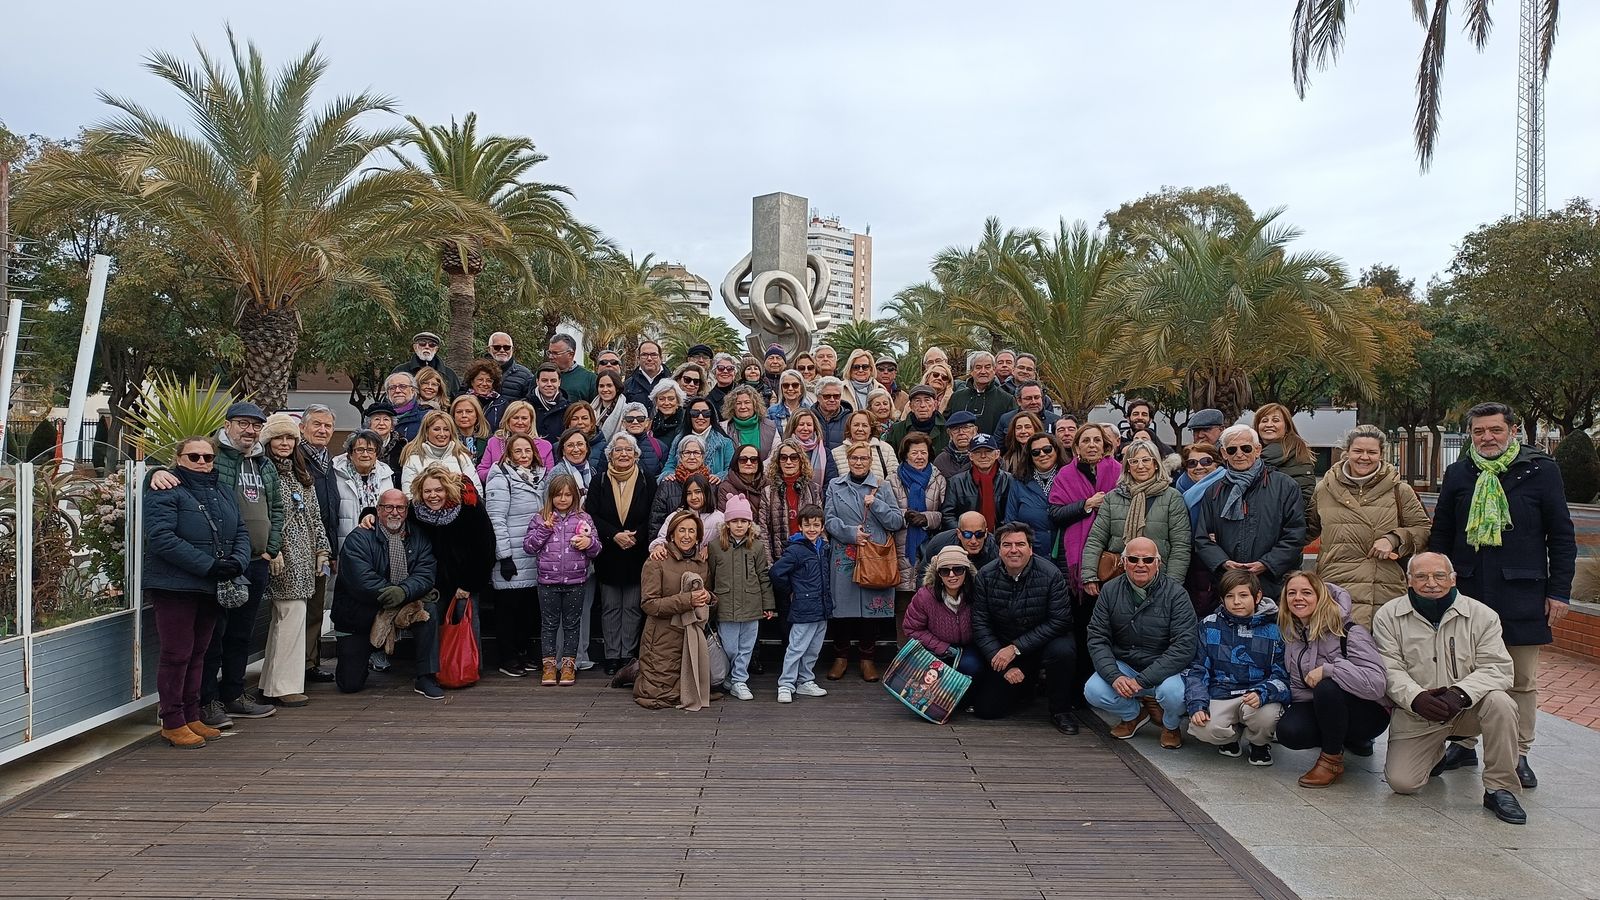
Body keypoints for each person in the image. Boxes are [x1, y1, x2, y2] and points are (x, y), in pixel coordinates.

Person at [1427, 401, 1575, 789]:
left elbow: (1560, 536)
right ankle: (1462, 742)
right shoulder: (1459, 473)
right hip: (1468, 591)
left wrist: (1558, 592)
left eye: (1494, 430)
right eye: (1479, 431)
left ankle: (1518, 753)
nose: (1487, 437)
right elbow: (1441, 533)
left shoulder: (1540, 470)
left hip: (1522, 592)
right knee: (1461, 672)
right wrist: (1436, 584)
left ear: (1512, 431)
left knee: (1520, 678)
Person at [148, 402, 284, 728]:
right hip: (195, 577)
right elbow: (162, 528)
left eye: (255, 425)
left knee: (238, 636)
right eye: (243, 424)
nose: (202, 461)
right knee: (202, 646)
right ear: (227, 424)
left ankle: (231, 696)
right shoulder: (191, 473)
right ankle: (202, 706)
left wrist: (268, 549)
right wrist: (155, 472)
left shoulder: (262, 464)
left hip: (246, 565)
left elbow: (272, 509)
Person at [1372, 553, 1527, 825]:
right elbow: (1389, 668)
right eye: (1421, 576)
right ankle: (1435, 753)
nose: (1431, 583)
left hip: (1468, 709)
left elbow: (1498, 668)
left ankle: (1500, 788)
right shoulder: (1388, 616)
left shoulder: (1483, 616)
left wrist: (1460, 694)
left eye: (1439, 575)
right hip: (1418, 713)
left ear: (1453, 578)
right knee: (1402, 782)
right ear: (1409, 581)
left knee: (1501, 703)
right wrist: (1416, 698)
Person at [144, 436, 252, 749]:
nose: (202, 462)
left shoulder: (222, 491)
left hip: (210, 584)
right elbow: (161, 538)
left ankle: (192, 715)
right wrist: (208, 565)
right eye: (194, 457)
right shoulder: (165, 488)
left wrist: (237, 562)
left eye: (207, 457)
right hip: (175, 584)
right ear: (178, 458)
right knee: (176, 654)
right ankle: (172, 720)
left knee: (199, 654)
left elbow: (241, 531)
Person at [1309, 425, 1432, 629]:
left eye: (1371, 452)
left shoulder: (1399, 490)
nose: (1364, 457)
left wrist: (1394, 539)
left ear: (1381, 454)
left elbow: (1423, 530)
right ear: (1346, 452)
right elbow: (1306, 529)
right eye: (1358, 451)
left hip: (1384, 587)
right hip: (1334, 585)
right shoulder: (1324, 489)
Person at [1275, 570, 1391, 788]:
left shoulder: (1350, 632)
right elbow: (1298, 687)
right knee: (1289, 732)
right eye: (1292, 593)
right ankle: (1338, 737)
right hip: (1323, 705)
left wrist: (1329, 670)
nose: (1298, 598)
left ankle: (1331, 759)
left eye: (1306, 592)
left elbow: (1376, 685)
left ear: (1320, 597)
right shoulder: (1293, 634)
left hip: (1368, 712)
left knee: (1327, 687)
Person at [1084, 538, 1198, 748]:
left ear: (1158, 563)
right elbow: (1097, 638)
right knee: (1093, 690)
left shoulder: (1177, 594)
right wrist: (1114, 676)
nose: (1141, 564)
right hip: (1124, 664)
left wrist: (1143, 680)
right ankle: (1133, 714)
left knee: (1175, 694)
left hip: (1163, 668)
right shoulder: (1109, 591)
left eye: (1147, 559)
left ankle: (1171, 726)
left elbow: (1184, 646)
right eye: (1134, 559)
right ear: (1124, 562)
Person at [331, 489, 441, 698]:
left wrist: (404, 592)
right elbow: (361, 579)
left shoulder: (418, 536)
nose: (394, 512)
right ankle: (369, 656)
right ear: (378, 510)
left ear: (407, 511)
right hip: (362, 611)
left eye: (400, 507)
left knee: (430, 611)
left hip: (406, 602)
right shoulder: (359, 537)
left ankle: (426, 676)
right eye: (388, 507)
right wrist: (392, 594)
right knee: (349, 684)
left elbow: (426, 572)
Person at [970, 523, 1078, 733]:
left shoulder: (1051, 574)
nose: (1013, 550)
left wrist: (1016, 648)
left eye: (1020, 544)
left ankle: (1061, 710)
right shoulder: (985, 575)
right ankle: (1025, 688)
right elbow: (980, 623)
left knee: (1064, 650)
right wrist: (1002, 660)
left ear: (1031, 548)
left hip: (1042, 644)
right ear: (999, 548)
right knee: (986, 710)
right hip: (1004, 647)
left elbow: (1060, 620)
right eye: (1007, 544)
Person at [258, 414, 331, 709]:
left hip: (305, 558)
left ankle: (270, 682)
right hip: (281, 557)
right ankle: (283, 686)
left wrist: (322, 549)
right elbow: (262, 516)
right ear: (268, 441)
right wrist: (272, 549)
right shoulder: (263, 472)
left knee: (291, 619)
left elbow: (314, 515)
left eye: (290, 438)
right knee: (289, 619)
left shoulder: (300, 474)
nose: (285, 443)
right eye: (279, 438)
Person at [1182, 570, 1289, 765]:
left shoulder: (1276, 629)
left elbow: (1283, 674)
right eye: (1230, 596)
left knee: (1267, 717)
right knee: (1202, 727)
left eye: (1243, 595)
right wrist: (1197, 704)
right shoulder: (1209, 626)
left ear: (1257, 597)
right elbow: (1197, 669)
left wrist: (1264, 692)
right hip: (1222, 692)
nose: (1237, 602)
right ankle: (1231, 738)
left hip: (1257, 693)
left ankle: (1259, 743)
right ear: (1222, 600)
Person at [823, 440, 907, 681]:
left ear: (871, 461)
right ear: (847, 461)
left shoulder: (883, 487)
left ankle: (867, 659)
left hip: (875, 556)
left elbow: (895, 521)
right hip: (845, 555)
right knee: (843, 611)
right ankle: (840, 657)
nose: (859, 462)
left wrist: (877, 505)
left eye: (863, 458)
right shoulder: (835, 486)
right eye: (854, 458)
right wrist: (851, 533)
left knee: (870, 612)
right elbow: (829, 520)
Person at [1193, 424, 1306, 600]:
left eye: (1246, 448)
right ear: (1224, 454)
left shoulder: (1285, 486)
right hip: (1229, 586)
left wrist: (1266, 563)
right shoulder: (1214, 491)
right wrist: (1224, 562)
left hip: (1273, 584)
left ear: (1257, 449)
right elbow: (1203, 538)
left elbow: (1295, 534)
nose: (1239, 454)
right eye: (1232, 450)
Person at [407, 467, 496, 688]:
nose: (433, 495)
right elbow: (388, 512)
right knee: (432, 618)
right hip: (433, 582)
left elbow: (485, 547)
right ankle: (434, 669)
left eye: (438, 490)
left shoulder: (468, 508)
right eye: (427, 491)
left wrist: (468, 583)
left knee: (465, 618)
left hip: (465, 580)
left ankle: (469, 666)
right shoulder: (415, 512)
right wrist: (366, 514)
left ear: (447, 489)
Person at [1080, 438, 1191, 597]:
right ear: (1127, 467)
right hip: (1118, 579)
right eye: (1134, 461)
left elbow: (1180, 546)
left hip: (1159, 581)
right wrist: (1089, 575)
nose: (1140, 466)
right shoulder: (1113, 498)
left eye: (1146, 460)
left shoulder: (1172, 498)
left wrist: (1172, 585)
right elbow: (1096, 539)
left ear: (1156, 464)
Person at [586, 433, 654, 675]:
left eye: (628, 450)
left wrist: (636, 536)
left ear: (636, 454)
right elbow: (591, 514)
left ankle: (628, 654)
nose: (623, 454)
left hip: (637, 552)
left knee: (633, 607)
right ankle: (612, 654)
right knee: (611, 607)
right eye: (618, 450)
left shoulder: (647, 480)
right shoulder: (600, 480)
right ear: (610, 455)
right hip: (609, 552)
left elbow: (653, 514)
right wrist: (614, 534)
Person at [523, 473, 600, 686]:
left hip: (576, 581)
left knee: (572, 625)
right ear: (551, 496)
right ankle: (549, 666)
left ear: (574, 496)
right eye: (558, 495)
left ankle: (568, 665)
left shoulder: (584, 518)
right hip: (547, 581)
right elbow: (529, 546)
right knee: (548, 624)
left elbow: (597, 549)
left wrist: (589, 543)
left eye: (567, 495)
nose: (563, 499)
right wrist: (544, 529)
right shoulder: (541, 518)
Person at [635, 510, 716, 710]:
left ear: (698, 536)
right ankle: (634, 671)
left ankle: (636, 670)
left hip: (690, 636)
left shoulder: (702, 563)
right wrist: (687, 600)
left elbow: (709, 594)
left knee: (689, 691)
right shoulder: (657, 560)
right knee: (657, 697)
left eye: (691, 531)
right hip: (662, 635)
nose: (686, 536)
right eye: (681, 530)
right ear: (671, 534)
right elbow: (649, 604)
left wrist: (709, 598)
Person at [484, 433, 546, 677]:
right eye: (517, 451)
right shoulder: (500, 477)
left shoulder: (542, 476)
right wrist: (504, 556)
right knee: (508, 611)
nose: (523, 455)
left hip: (534, 554)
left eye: (527, 451)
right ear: (508, 454)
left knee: (529, 610)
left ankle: (523, 651)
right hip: (511, 556)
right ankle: (507, 657)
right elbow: (496, 518)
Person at [709, 496, 775, 700]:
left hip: (751, 604)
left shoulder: (756, 546)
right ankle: (728, 675)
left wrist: (768, 604)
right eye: (735, 521)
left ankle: (739, 680)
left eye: (744, 521)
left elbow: (763, 575)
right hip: (726, 606)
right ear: (727, 523)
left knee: (746, 647)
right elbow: (710, 576)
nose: (739, 525)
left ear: (750, 524)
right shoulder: (715, 546)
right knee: (729, 646)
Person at [769, 505, 833, 703]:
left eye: (816, 525)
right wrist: (791, 589)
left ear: (822, 527)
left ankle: (805, 680)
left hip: (822, 607)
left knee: (813, 648)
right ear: (800, 527)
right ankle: (786, 684)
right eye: (807, 525)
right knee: (796, 647)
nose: (812, 529)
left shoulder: (824, 549)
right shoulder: (796, 550)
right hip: (803, 607)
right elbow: (776, 572)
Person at [1047, 424, 1121, 594]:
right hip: (1073, 552)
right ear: (1077, 447)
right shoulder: (1065, 475)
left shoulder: (1119, 472)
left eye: (1097, 440)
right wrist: (1086, 505)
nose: (1092, 445)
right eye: (1086, 440)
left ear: (1105, 445)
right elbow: (1055, 514)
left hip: (1111, 551)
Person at [296, 405, 341, 684]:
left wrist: (332, 548)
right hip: (299, 547)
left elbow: (331, 510)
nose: (322, 430)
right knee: (295, 612)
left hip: (323, 549)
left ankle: (310, 663)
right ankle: (294, 667)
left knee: (315, 610)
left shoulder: (329, 461)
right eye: (317, 425)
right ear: (303, 427)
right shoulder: (295, 457)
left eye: (327, 426)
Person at [904, 545, 982, 676]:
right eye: (945, 571)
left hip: (969, 646)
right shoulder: (925, 596)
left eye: (958, 569)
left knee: (971, 666)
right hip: (933, 647)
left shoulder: (977, 593)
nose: (952, 575)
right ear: (938, 574)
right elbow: (912, 629)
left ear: (966, 571)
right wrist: (942, 647)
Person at [1178, 441, 1225, 617]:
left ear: (1217, 463)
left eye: (1206, 461)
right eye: (1192, 463)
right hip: (1187, 557)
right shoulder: (1181, 487)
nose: (1199, 467)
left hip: (1215, 558)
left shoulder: (1227, 485)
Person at [1002, 433, 1064, 561]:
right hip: (1032, 555)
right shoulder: (1019, 482)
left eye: (1047, 449)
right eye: (1035, 452)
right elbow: (1011, 522)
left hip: (1065, 553)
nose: (1042, 454)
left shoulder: (1070, 478)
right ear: (1030, 457)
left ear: (1056, 449)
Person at [399, 410, 482, 496]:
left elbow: (477, 491)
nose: (442, 434)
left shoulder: (461, 457)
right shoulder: (413, 460)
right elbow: (409, 495)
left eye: (446, 430)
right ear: (426, 432)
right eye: (436, 429)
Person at [333, 430, 394, 547]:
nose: (365, 454)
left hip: (379, 545)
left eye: (370, 450)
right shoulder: (336, 474)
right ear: (350, 454)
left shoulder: (386, 475)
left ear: (377, 453)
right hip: (347, 544)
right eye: (360, 450)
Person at [1253, 402, 1316, 511]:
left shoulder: (1294, 451)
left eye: (1275, 420)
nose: (1269, 424)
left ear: (1286, 427)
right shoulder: (1252, 453)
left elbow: (1304, 498)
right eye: (1264, 420)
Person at [941, 433, 1012, 531]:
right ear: (970, 456)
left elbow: (1014, 514)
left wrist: (1001, 535)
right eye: (977, 452)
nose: (983, 456)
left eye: (988, 451)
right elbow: (947, 515)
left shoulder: (1009, 480)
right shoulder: (956, 482)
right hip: (966, 538)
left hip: (1001, 538)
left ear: (997, 454)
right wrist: (967, 534)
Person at [476, 400, 555, 483]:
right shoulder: (494, 442)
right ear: (508, 420)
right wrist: (501, 472)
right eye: (515, 418)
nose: (520, 422)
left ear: (531, 421)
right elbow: (481, 472)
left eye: (524, 418)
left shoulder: (545, 446)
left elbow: (550, 477)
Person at [662, 396, 734, 480]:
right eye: (695, 413)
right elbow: (669, 466)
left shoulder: (725, 443)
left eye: (706, 413)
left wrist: (719, 477)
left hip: (714, 490)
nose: (700, 417)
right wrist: (669, 474)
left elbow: (731, 470)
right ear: (689, 416)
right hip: (681, 489)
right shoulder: (678, 440)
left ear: (711, 416)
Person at [916, 512, 999, 584]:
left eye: (979, 534)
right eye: (967, 535)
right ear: (959, 533)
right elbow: (923, 575)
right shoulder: (939, 543)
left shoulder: (997, 550)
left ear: (986, 534)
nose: (973, 541)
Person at [948, 350, 1016, 437]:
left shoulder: (1007, 400)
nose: (983, 371)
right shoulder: (957, 397)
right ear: (971, 372)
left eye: (987, 367)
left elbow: (1010, 432)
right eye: (978, 367)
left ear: (994, 370)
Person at [830, 409, 898, 482]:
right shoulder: (836, 453)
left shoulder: (885, 449)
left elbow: (894, 480)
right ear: (849, 428)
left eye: (865, 425)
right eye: (856, 425)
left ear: (871, 429)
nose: (860, 429)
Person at [392, 330, 461, 397]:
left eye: (432, 345)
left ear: (436, 349)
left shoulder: (449, 374)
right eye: (422, 343)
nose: (427, 347)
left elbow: (458, 399)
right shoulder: (401, 371)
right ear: (415, 347)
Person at [717, 444, 768, 532]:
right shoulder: (726, 488)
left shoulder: (768, 484)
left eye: (753, 460)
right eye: (743, 460)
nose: (749, 463)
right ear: (736, 462)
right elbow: (724, 520)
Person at [887, 385, 948, 456]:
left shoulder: (946, 430)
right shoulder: (897, 430)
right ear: (910, 406)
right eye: (917, 401)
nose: (922, 405)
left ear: (935, 405)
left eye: (927, 400)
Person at [782, 408, 832, 489]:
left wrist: (818, 498)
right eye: (801, 424)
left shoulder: (825, 453)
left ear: (814, 428)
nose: (805, 428)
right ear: (793, 427)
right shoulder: (784, 450)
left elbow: (830, 482)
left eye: (809, 425)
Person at [994, 383, 1059, 445]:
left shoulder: (1055, 420)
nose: (1033, 402)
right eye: (1028, 398)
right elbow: (998, 448)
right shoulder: (1006, 419)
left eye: (1037, 397)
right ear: (1019, 401)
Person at [721, 385, 776, 458]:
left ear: (755, 405)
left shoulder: (770, 426)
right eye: (738, 403)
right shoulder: (724, 428)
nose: (743, 407)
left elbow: (775, 453)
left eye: (747, 402)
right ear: (732, 406)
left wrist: (760, 467)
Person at [460, 359, 509, 432]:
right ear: (472, 382)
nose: (484, 384)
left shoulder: (501, 403)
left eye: (489, 381)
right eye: (480, 380)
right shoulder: (461, 401)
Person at [547, 332, 597, 402]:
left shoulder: (590, 379)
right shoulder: (541, 376)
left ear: (570, 354)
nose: (550, 357)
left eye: (555, 353)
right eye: (549, 353)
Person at [486, 331, 534, 403]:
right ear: (489, 349)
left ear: (512, 350)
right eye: (497, 347)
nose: (502, 350)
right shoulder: (476, 372)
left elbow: (530, 402)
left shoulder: (526, 375)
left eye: (507, 347)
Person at [364, 402, 404, 485]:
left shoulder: (402, 446)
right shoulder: (358, 445)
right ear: (369, 424)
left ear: (392, 426)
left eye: (386, 419)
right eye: (377, 419)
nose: (381, 423)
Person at [932, 410, 979, 480]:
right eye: (955, 429)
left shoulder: (986, 455)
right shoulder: (941, 461)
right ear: (950, 434)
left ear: (975, 430)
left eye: (966, 428)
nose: (961, 432)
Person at [530, 364, 572, 439]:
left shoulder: (568, 409)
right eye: (544, 380)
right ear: (537, 381)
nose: (549, 384)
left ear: (559, 382)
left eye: (553, 381)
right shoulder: (526, 406)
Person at [624, 339, 671, 408]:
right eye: (644, 355)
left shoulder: (672, 382)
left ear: (660, 358)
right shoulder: (628, 385)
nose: (649, 358)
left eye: (653, 355)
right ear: (638, 359)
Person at [998, 411, 1045, 478]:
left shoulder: (1046, 455)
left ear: (1036, 429)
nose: (1023, 431)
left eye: (1028, 427)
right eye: (1019, 428)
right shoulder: (1007, 461)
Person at [449, 393, 492, 464]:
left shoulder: (489, 441)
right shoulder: (448, 440)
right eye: (459, 412)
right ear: (453, 416)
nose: (464, 415)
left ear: (477, 415)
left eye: (469, 411)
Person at [382, 372, 425, 441]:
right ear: (387, 393)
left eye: (403, 386)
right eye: (392, 388)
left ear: (413, 390)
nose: (397, 391)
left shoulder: (425, 417)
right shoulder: (378, 418)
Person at [812, 377, 852, 451]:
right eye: (827, 396)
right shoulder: (809, 417)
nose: (832, 400)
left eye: (836, 396)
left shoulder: (850, 419)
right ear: (818, 397)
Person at [592, 370, 627, 437]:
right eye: (601, 386)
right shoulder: (591, 408)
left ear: (617, 387)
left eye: (609, 385)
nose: (605, 389)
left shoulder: (626, 410)